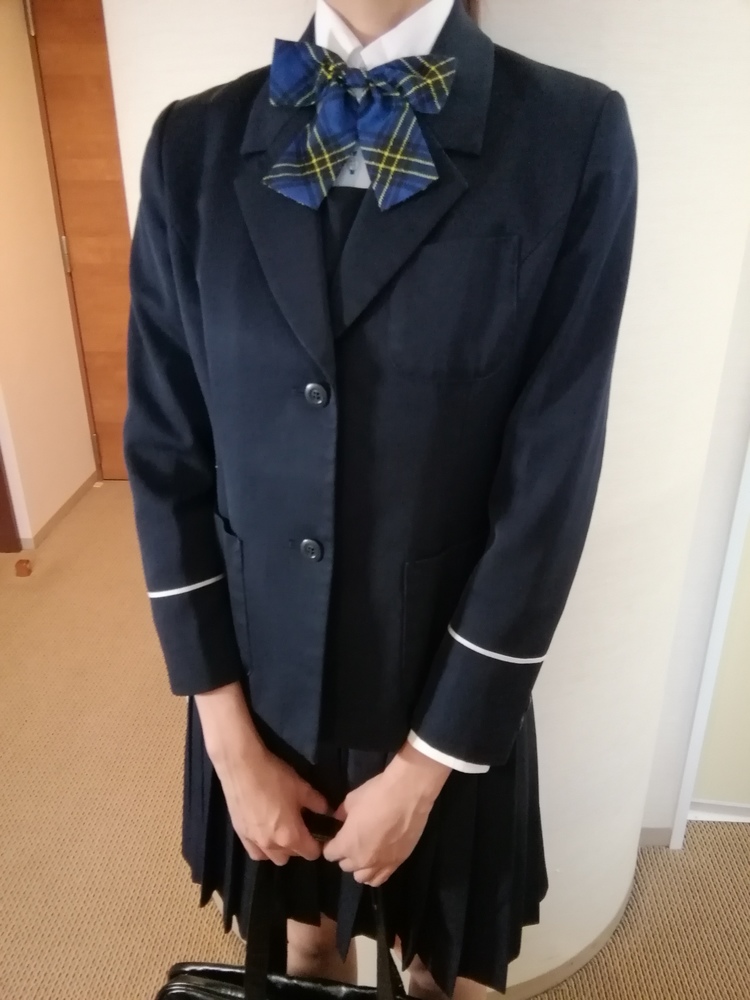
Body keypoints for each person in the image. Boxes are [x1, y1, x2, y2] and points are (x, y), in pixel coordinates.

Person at [122, 0, 638, 997]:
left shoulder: (572, 135)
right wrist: (230, 743)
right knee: (304, 959)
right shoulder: (191, 145)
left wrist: (428, 765)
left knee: (449, 977)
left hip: (446, 688)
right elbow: (165, 452)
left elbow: (550, 480)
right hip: (260, 694)